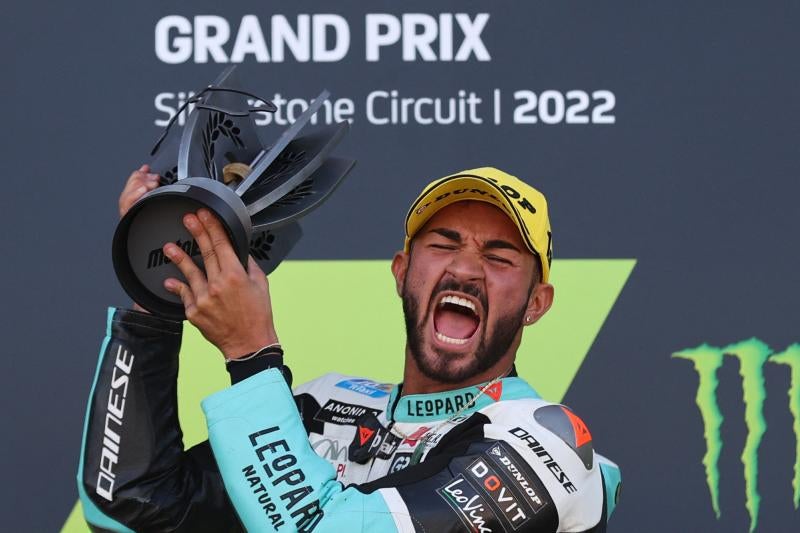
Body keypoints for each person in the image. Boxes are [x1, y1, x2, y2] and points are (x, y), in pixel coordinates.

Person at [77, 166, 621, 532]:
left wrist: (251, 355)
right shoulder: (324, 406)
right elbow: (129, 503)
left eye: (498, 257)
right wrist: (158, 292)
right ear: (402, 273)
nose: (464, 268)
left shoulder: (547, 445)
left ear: (536, 303)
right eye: (443, 244)